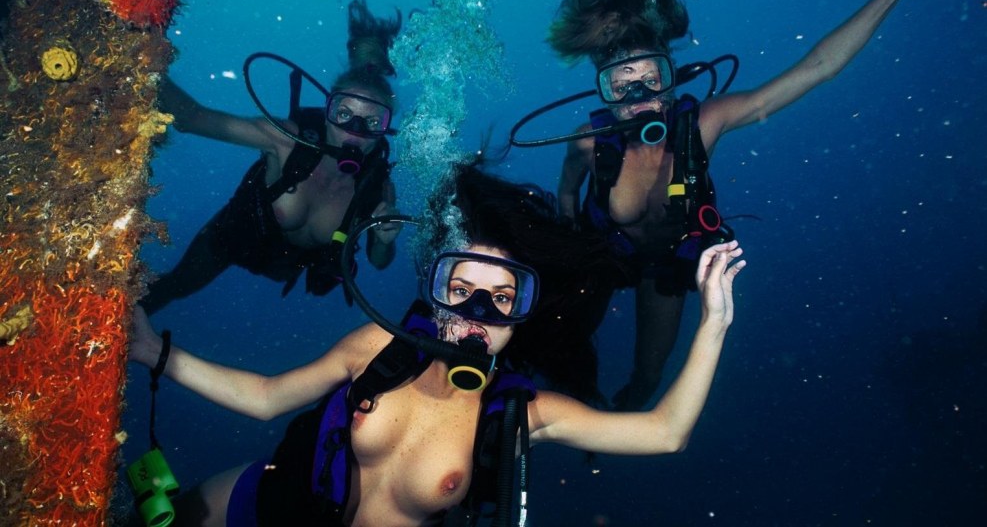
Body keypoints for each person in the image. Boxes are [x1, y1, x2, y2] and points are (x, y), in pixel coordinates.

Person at [128, 164, 745, 526]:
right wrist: (156, 351)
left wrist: (713, 321)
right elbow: (267, 397)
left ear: (521, 316)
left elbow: (665, 432)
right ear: (436, 294)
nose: (478, 313)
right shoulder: (378, 345)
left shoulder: (521, 415)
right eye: (462, 290)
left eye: (501, 298)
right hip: (267, 505)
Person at [547, 0, 951, 410]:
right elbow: (567, 192)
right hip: (602, 253)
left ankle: (608, 433)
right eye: (622, 84)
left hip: (666, 267)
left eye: (652, 79)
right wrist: (570, 244)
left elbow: (818, 67)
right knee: (559, 346)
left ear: (672, 80)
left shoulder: (703, 125)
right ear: (604, 92)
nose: (640, 97)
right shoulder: (588, 144)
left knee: (648, 377)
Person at [140, 0, 403, 315]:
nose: (355, 130)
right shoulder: (286, 140)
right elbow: (191, 118)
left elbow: (378, 260)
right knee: (175, 286)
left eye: (373, 122)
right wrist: (140, 59)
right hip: (234, 236)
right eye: (344, 113)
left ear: (385, 129)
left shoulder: (376, 186)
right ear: (327, 112)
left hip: (288, 266)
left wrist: (385, 240)